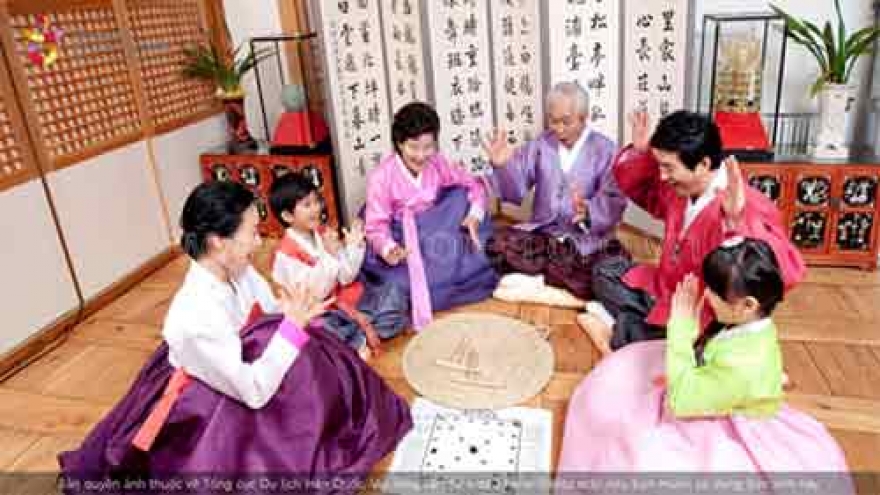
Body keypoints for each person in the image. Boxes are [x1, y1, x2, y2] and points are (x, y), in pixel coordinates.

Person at [59, 182, 412, 488]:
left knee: (325, 351)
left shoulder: (239, 272)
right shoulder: (195, 315)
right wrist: (291, 327)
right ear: (217, 242)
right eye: (252, 233)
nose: (259, 242)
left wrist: (296, 316)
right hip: (207, 402)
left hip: (242, 368)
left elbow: (271, 313)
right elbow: (254, 391)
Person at [556, 238, 852, 491]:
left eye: (716, 293)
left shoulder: (743, 364)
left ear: (748, 304)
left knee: (633, 450)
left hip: (718, 416)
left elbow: (683, 401)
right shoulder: (754, 324)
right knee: (621, 373)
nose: (707, 296)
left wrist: (681, 327)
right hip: (716, 392)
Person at [583, 110, 806, 354]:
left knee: (690, 341)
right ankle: (641, 330)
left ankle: (639, 333)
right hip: (664, 287)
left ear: (704, 164)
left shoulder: (745, 204)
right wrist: (640, 154)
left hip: (701, 313)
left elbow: (782, 274)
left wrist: (738, 223)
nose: (662, 176)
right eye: (659, 166)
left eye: (668, 167)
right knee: (604, 271)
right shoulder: (681, 187)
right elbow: (645, 191)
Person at [484, 81, 627, 300]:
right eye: (553, 121)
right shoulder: (542, 144)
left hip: (584, 242)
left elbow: (613, 198)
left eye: (566, 122)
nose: (559, 129)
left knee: (605, 269)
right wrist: (503, 165)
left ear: (583, 116)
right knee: (497, 243)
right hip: (544, 236)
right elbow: (517, 186)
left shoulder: (605, 150)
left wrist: (589, 212)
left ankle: (540, 276)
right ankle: (553, 276)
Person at [362, 101, 499, 330]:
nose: (421, 155)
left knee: (459, 198)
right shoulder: (381, 177)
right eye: (413, 147)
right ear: (399, 143)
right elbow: (376, 225)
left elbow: (473, 185)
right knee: (399, 286)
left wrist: (474, 216)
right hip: (404, 240)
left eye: (428, 147)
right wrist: (389, 249)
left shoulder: (437, 163)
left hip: (436, 231)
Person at [269, 172, 407, 358]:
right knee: (325, 332)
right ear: (287, 215)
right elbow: (317, 293)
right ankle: (359, 337)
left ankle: (357, 338)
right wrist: (331, 255)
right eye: (307, 205)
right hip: (322, 313)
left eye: (316, 201)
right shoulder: (285, 255)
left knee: (395, 293)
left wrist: (354, 246)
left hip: (347, 301)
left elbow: (345, 276)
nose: (316, 208)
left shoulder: (322, 231)